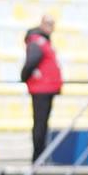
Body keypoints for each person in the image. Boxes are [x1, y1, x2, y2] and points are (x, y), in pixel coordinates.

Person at [21, 15, 62, 161]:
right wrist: (25, 77)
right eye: (48, 23)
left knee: (43, 124)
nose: (51, 27)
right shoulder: (37, 41)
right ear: (42, 24)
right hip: (41, 89)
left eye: (53, 24)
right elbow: (31, 62)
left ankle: (40, 157)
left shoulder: (43, 41)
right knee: (40, 124)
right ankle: (37, 158)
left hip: (46, 88)